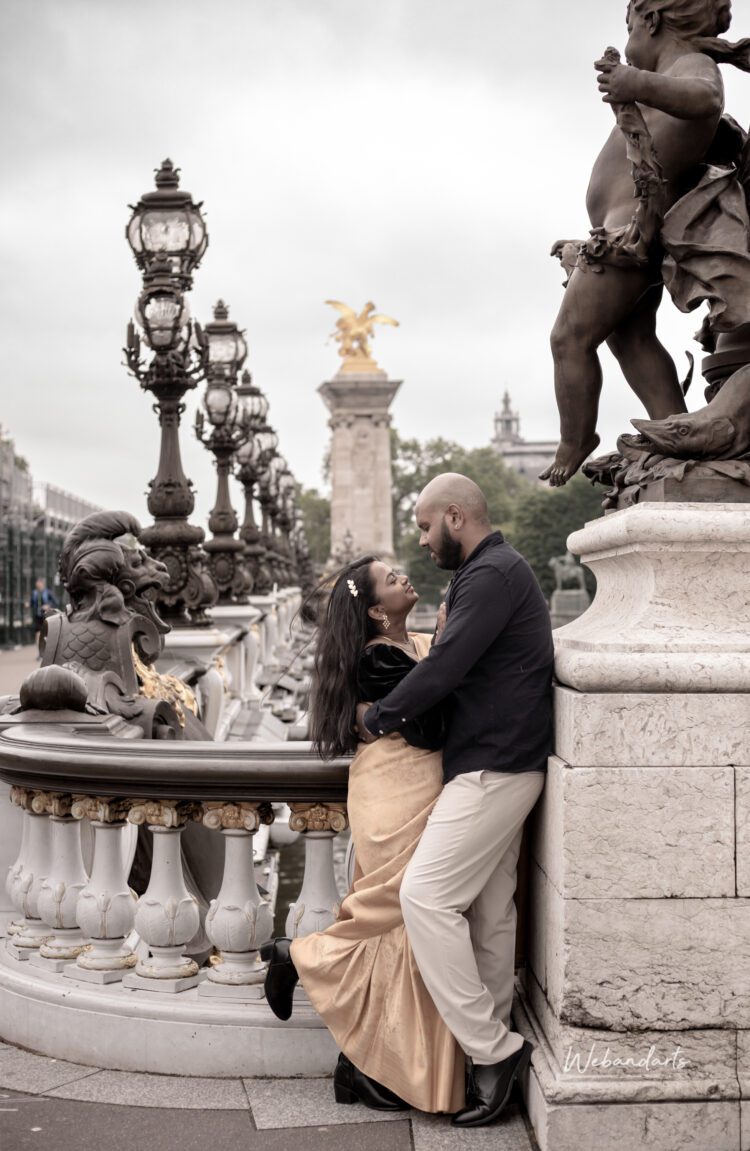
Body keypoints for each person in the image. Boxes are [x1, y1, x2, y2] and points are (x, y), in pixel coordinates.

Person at [355, 473, 554, 1128]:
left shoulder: (492, 574)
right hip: (501, 762)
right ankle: (486, 1062)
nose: (420, 538)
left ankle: (494, 1050)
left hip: (494, 767)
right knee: (491, 913)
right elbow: (453, 661)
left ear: (455, 516)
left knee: (424, 897)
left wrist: (378, 716)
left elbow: (442, 671)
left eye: (422, 524)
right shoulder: (487, 574)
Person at [262, 554, 465, 1115]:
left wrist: (444, 646)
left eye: (400, 570)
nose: (404, 576)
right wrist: (448, 649)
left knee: (395, 938)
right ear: (377, 610)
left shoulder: (411, 646)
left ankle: (359, 1069)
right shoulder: (378, 660)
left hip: (417, 793)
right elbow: (431, 728)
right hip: (394, 796)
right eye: (392, 579)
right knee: (396, 922)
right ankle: (298, 957)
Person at [541, 0, 750, 487]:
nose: (630, 38)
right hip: (623, 235)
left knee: (568, 338)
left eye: (630, 25)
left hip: (629, 239)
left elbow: (706, 98)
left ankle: (577, 438)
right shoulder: (670, 73)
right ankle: (672, 431)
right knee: (630, 339)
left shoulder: (689, 66)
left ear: (651, 21)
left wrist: (636, 85)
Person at [31, 577, 58, 653]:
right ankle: (39, 652)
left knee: (47, 633)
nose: (37, 584)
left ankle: (48, 651)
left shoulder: (48, 592)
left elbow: (55, 602)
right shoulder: (34, 593)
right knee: (38, 634)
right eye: (37, 583)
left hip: (46, 616)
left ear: (42, 584)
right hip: (38, 616)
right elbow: (32, 603)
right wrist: (28, 604)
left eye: (39, 583)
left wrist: (48, 605)